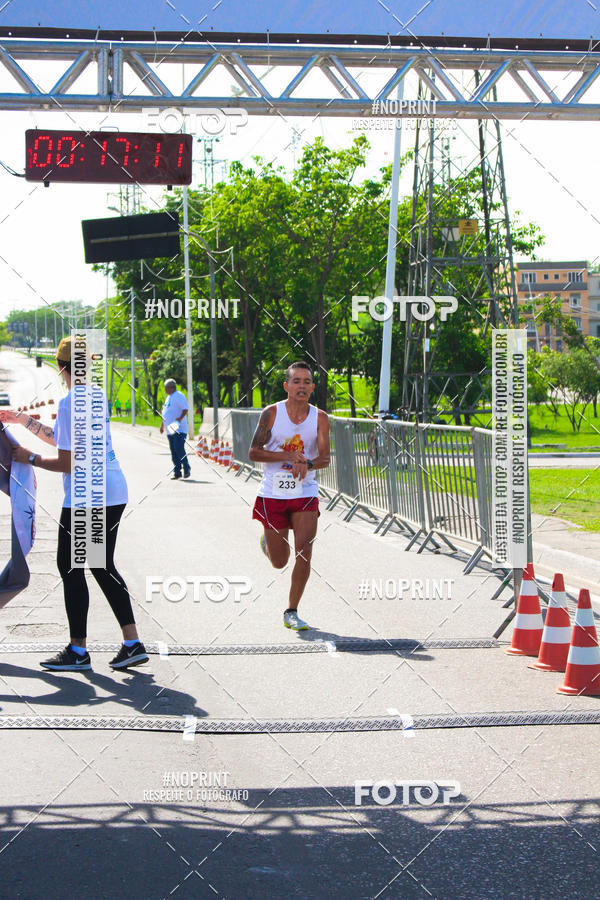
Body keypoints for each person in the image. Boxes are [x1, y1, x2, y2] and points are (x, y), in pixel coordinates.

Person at [0, 336, 148, 671]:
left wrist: (30, 457)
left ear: (60, 366)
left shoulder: (70, 402)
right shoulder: (96, 396)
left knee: (70, 566)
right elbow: (65, 439)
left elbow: (68, 461)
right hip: (112, 489)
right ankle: (131, 642)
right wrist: (24, 421)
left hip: (87, 495)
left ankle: (79, 651)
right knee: (100, 565)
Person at [248, 361, 330, 630]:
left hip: (304, 491)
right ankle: (269, 544)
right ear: (286, 386)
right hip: (273, 492)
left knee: (304, 552)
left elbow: (325, 458)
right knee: (279, 561)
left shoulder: (320, 418)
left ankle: (291, 611)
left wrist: (306, 464)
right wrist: (288, 456)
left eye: (307, 382)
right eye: (296, 381)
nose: (302, 386)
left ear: (313, 387)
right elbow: (253, 452)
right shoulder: (271, 414)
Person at [160, 378, 191, 480]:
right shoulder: (168, 397)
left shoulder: (179, 396)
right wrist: (162, 425)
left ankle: (186, 467)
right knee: (173, 451)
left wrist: (179, 419)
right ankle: (177, 471)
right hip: (170, 429)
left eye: (166, 388)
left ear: (171, 387)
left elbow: (185, 409)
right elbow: (165, 412)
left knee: (179, 448)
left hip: (179, 429)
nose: (165, 390)